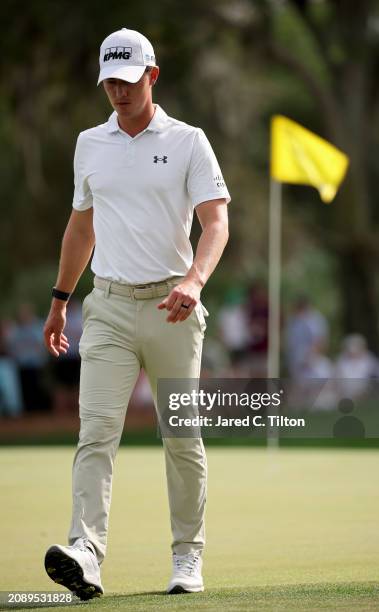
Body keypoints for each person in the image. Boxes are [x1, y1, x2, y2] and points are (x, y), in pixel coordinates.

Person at [43, 28, 230, 600]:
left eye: (127, 80)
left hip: (174, 306)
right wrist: (59, 302)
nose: (118, 92)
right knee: (95, 433)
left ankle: (186, 557)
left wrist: (196, 281)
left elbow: (215, 221)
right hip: (109, 308)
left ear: (151, 76)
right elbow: (82, 226)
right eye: (109, 82)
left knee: (181, 436)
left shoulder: (189, 140)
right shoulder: (89, 144)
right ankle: (87, 555)